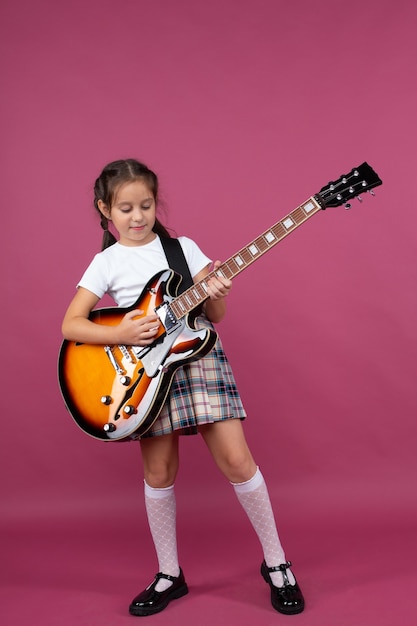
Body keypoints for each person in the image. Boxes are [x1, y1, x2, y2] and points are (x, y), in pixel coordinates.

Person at [61, 158, 305, 617]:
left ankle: (277, 563)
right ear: (105, 210)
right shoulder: (105, 261)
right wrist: (120, 334)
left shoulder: (182, 249)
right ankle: (169, 574)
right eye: (126, 208)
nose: (137, 217)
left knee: (238, 460)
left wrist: (218, 295)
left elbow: (214, 319)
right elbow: (70, 323)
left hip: (198, 359)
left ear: (157, 204)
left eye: (146, 205)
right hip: (145, 376)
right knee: (159, 473)